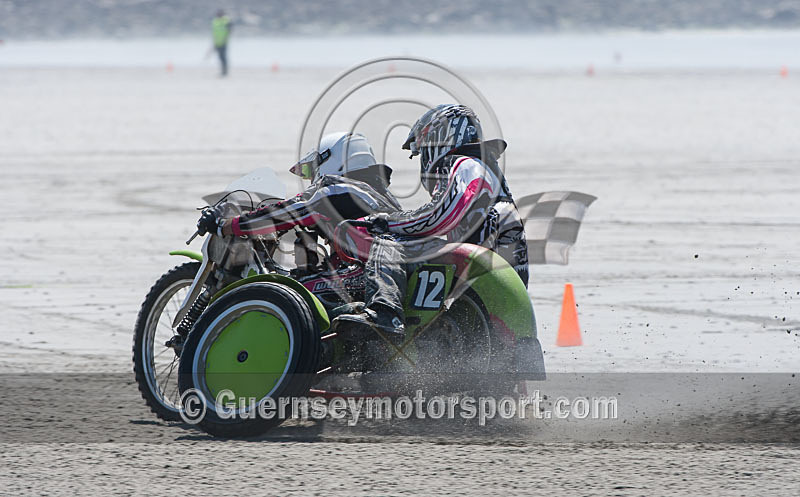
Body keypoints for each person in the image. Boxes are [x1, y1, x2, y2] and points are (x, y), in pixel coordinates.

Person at [333, 104, 529, 337]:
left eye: (421, 148)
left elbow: (440, 216)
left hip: (483, 268)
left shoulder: (464, 164)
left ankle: (384, 313)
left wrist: (386, 222)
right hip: (500, 276)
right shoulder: (488, 169)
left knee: (387, 243)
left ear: (439, 137)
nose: (422, 156)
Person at [197, 131, 401, 256]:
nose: (312, 179)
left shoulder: (338, 190)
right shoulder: (380, 194)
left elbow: (288, 212)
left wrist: (228, 225)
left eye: (311, 170)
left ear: (332, 160)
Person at [212, 10, 232, 76]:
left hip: (224, 42)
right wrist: (214, 42)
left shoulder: (226, 21)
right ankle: (223, 70)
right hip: (217, 42)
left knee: (223, 57)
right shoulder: (215, 21)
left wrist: (226, 38)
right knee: (220, 57)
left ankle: (225, 71)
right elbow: (214, 32)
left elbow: (229, 30)